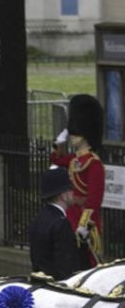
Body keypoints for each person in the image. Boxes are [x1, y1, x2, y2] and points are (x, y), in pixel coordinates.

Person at [49, 93, 104, 269]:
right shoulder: (74, 159)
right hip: (70, 214)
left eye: (76, 132)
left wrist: (84, 225)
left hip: (85, 219)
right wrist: (58, 143)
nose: (72, 135)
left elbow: (94, 201)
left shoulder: (93, 164)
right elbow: (56, 160)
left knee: (86, 263)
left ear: (86, 134)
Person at [29, 166, 80, 280]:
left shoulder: (38, 219)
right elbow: (66, 267)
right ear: (63, 195)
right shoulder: (61, 223)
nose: (73, 193)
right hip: (58, 289)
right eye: (70, 190)